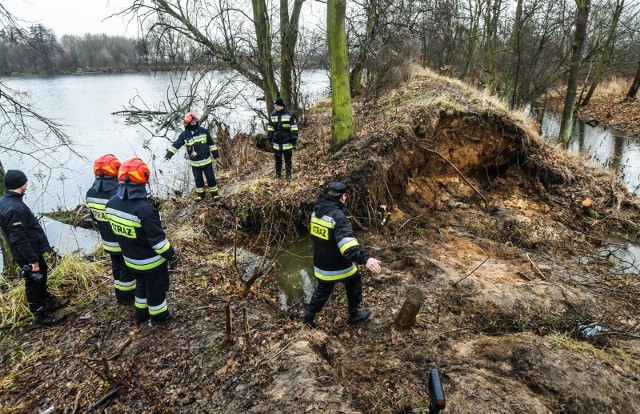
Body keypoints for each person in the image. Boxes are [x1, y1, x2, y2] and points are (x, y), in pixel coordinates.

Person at [105, 158, 180, 325]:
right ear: (142, 180)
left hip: (130, 260)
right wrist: (172, 255)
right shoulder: (146, 210)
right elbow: (157, 242)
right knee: (155, 290)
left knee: (141, 285)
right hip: (151, 262)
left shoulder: (110, 204)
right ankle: (160, 317)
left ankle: (141, 313)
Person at [303, 182, 382, 328]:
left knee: (322, 290)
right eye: (346, 196)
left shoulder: (316, 211)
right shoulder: (338, 217)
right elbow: (347, 246)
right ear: (343, 197)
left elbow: (317, 238)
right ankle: (354, 315)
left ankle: (308, 318)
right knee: (355, 281)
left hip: (320, 265)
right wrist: (366, 258)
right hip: (336, 266)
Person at [0, 170, 69, 325]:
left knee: (41, 276)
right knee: (34, 282)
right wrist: (32, 259)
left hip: (29, 250)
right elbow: (18, 237)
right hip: (26, 253)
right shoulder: (13, 208)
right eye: (25, 181)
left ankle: (47, 303)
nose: (27, 183)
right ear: (20, 184)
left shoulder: (7, 201)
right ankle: (40, 314)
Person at [86, 154, 136, 305]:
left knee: (116, 265)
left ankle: (119, 294)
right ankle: (127, 297)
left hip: (107, 239)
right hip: (122, 238)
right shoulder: (117, 194)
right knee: (126, 266)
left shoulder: (90, 193)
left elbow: (94, 218)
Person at [164, 112, 220, 202]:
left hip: (207, 162)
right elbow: (176, 145)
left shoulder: (203, 131)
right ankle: (201, 195)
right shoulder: (184, 135)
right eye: (192, 122)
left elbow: (211, 144)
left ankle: (215, 194)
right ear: (187, 123)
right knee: (198, 179)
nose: (194, 124)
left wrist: (216, 156)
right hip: (195, 164)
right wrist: (168, 155)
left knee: (210, 178)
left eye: (195, 122)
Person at [267, 97, 298, 181]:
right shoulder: (272, 114)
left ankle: (289, 175)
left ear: (281, 106)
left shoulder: (290, 114)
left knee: (288, 160)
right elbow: (270, 128)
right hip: (276, 143)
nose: (275, 107)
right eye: (275, 106)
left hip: (287, 143)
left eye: (277, 106)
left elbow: (294, 128)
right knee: (278, 161)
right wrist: (270, 138)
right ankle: (278, 175)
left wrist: (293, 139)